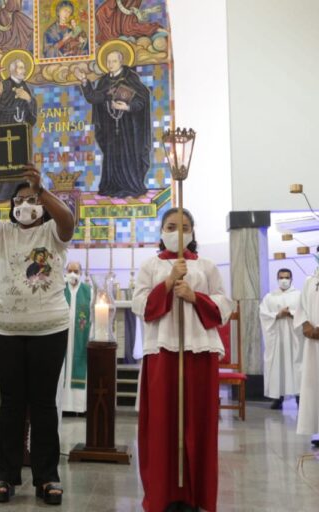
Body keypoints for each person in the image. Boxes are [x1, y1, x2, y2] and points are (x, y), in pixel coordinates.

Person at [0, 164, 75, 505]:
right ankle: (5, 474)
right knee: (11, 404)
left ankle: (47, 476)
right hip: (8, 329)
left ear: (41, 205)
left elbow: (69, 223)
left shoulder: (52, 233)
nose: (25, 205)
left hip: (50, 327)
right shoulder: (3, 232)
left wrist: (42, 190)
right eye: (20, 200)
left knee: (43, 404)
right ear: (11, 206)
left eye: (31, 200)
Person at [132, 207, 233, 512]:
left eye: (185, 226)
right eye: (172, 226)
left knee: (198, 421)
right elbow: (141, 305)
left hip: (198, 351)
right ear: (161, 231)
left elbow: (223, 306)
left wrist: (194, 295)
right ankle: (164, 493)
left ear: (193, 232)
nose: (178, 232)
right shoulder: (150, 266)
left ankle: (194, 493)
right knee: (162, 422)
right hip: (162, 352)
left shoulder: (206, 265)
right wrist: (167, 283)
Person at [73, 49, 151, 198]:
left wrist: (127, 107)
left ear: (121, 62)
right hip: (109, 125)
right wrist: (84, 81)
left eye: (113, 61)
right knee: (111, 156)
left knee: (127, 155)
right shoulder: (104, 81)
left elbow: (142, 100)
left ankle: (131, 186)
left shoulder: (130, 78)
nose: (110, 64)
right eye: (108, 61)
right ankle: (112, 186)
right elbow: (94, 98)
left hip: (127, 126)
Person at [0, 58, 37, 202]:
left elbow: (32, 118)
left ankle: (20, 194)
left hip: (20, 135)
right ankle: (1, 196)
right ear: (12, 70)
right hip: (3, 134)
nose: (23, 70)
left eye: (23, 67)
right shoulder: (4, 85)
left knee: (20, 167)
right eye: (20, 67)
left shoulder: (25, 87)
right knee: (5, 166)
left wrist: (29, 100)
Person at [259, 268, 302, 409]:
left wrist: (291, 313)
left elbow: (305, 313)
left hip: (294, 338)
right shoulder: (270, 297)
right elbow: (263, 314)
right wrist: (277, 314)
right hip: (277, 338)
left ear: (291, 279)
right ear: (277, 279)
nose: (284, 280)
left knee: (296, 365)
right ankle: (278, 398)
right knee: (278, 366)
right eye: (281, 277)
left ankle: (299, 397)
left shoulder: (299, 296)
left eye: (287, 277)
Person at [56, 261, 91, 416]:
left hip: (80, 339)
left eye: (76, 271)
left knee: (78, 364)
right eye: (69, 270)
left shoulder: (88, 291)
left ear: (81, 273)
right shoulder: (60, 290)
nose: (72, 274)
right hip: (62, 336)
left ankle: (77, 407)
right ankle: (62, 406)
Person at [294, 246, 319, 448]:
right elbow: (301, 309)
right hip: (313, 345)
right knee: (314, 387)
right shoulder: (310, 281)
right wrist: (306, 325)